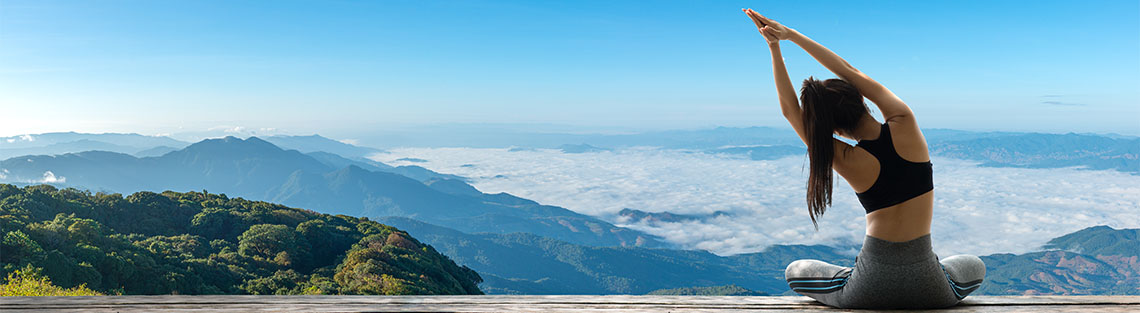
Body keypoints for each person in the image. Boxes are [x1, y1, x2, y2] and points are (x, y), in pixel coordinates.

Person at [741, 8, 985, 309]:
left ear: (834, 129)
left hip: (868, 289)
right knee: (974, 265)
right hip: (931, 288)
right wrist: (789, 35)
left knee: (796, 271)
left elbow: (791, 111)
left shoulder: (844, 157)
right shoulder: (903, 121)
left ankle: (849, 277)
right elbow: (849, 71)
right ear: (860, 99)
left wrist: (774, 48)